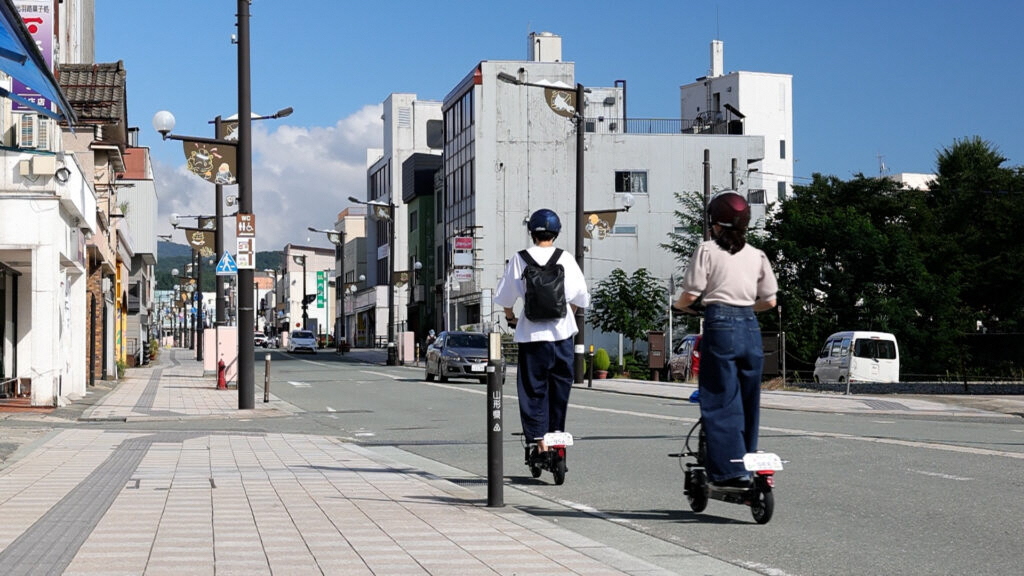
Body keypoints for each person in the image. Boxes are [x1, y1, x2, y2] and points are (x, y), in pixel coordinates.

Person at [674, 191, 778, 490]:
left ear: (715, 223)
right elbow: (769, 301)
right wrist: (744, 307)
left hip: (720, 326)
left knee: (720, 399)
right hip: (750, 328)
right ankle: (747, 459)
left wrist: (681, 306)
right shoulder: (757, 254)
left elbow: (691, 295)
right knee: (748, 400)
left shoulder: (707, 250)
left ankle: (730, 470)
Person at [495, 208, 590, 458]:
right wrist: (566, 311)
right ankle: (557, 436)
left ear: (532, 232)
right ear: (556, 232)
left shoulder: (520, 258)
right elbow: (581, 295)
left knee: (532, 390)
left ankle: (540, 442)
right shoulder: (566, 258)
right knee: (560, 389)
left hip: (532, 337)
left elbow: (506, 296)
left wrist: (510, 317)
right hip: (562, 336)